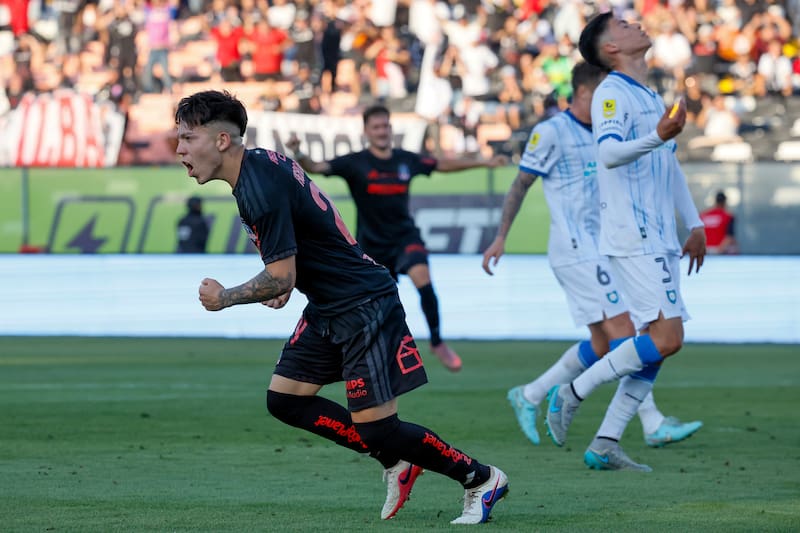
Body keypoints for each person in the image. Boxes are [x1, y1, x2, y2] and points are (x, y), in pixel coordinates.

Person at [174, 90, 508, 524]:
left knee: (378, 428)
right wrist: (287, 279)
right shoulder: (263, 163)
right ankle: (397, 462)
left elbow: (281, 273)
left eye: (187, 138)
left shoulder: (256, 186)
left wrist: (227, 297)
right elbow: (317, 232)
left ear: (221, 141)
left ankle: (480, 479)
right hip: (330, 303)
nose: (179, 148)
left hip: (362, 304)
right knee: (286, 400)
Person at [482, 62, 702, 470]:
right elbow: (520, 184)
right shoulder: (551, 132)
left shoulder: (612, 131)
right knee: (628, 331)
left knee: (604, 344)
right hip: (576, 249)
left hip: (608, 245)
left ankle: (531, 394)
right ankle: (648, 422)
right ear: (583, 92)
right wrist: (500, 237)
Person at [543, 13, 707, 469]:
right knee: (668, 337)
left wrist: (694, 223)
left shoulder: (647, 93)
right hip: (634, 232)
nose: (634, 23)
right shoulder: (612, 92)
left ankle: (606, 443)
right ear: (611, 48)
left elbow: (668, 162)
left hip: (657, 232)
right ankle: (570, 391)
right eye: (622, 23)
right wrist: (657, 135)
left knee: (653, 340)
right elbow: (609, 152)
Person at [285, 105, 507, 372]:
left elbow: (442, 164)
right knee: (378, 304)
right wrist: (298, 153)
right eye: (376, 127)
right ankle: (377, 350)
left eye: (386, 126)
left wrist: (484, 161)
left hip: (404, 237)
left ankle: (437, 342)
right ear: (366, 131)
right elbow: (317, 167)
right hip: (371, 245)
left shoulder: (405, 160)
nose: (382, 131)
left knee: (423, 278)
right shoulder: (355, 162)